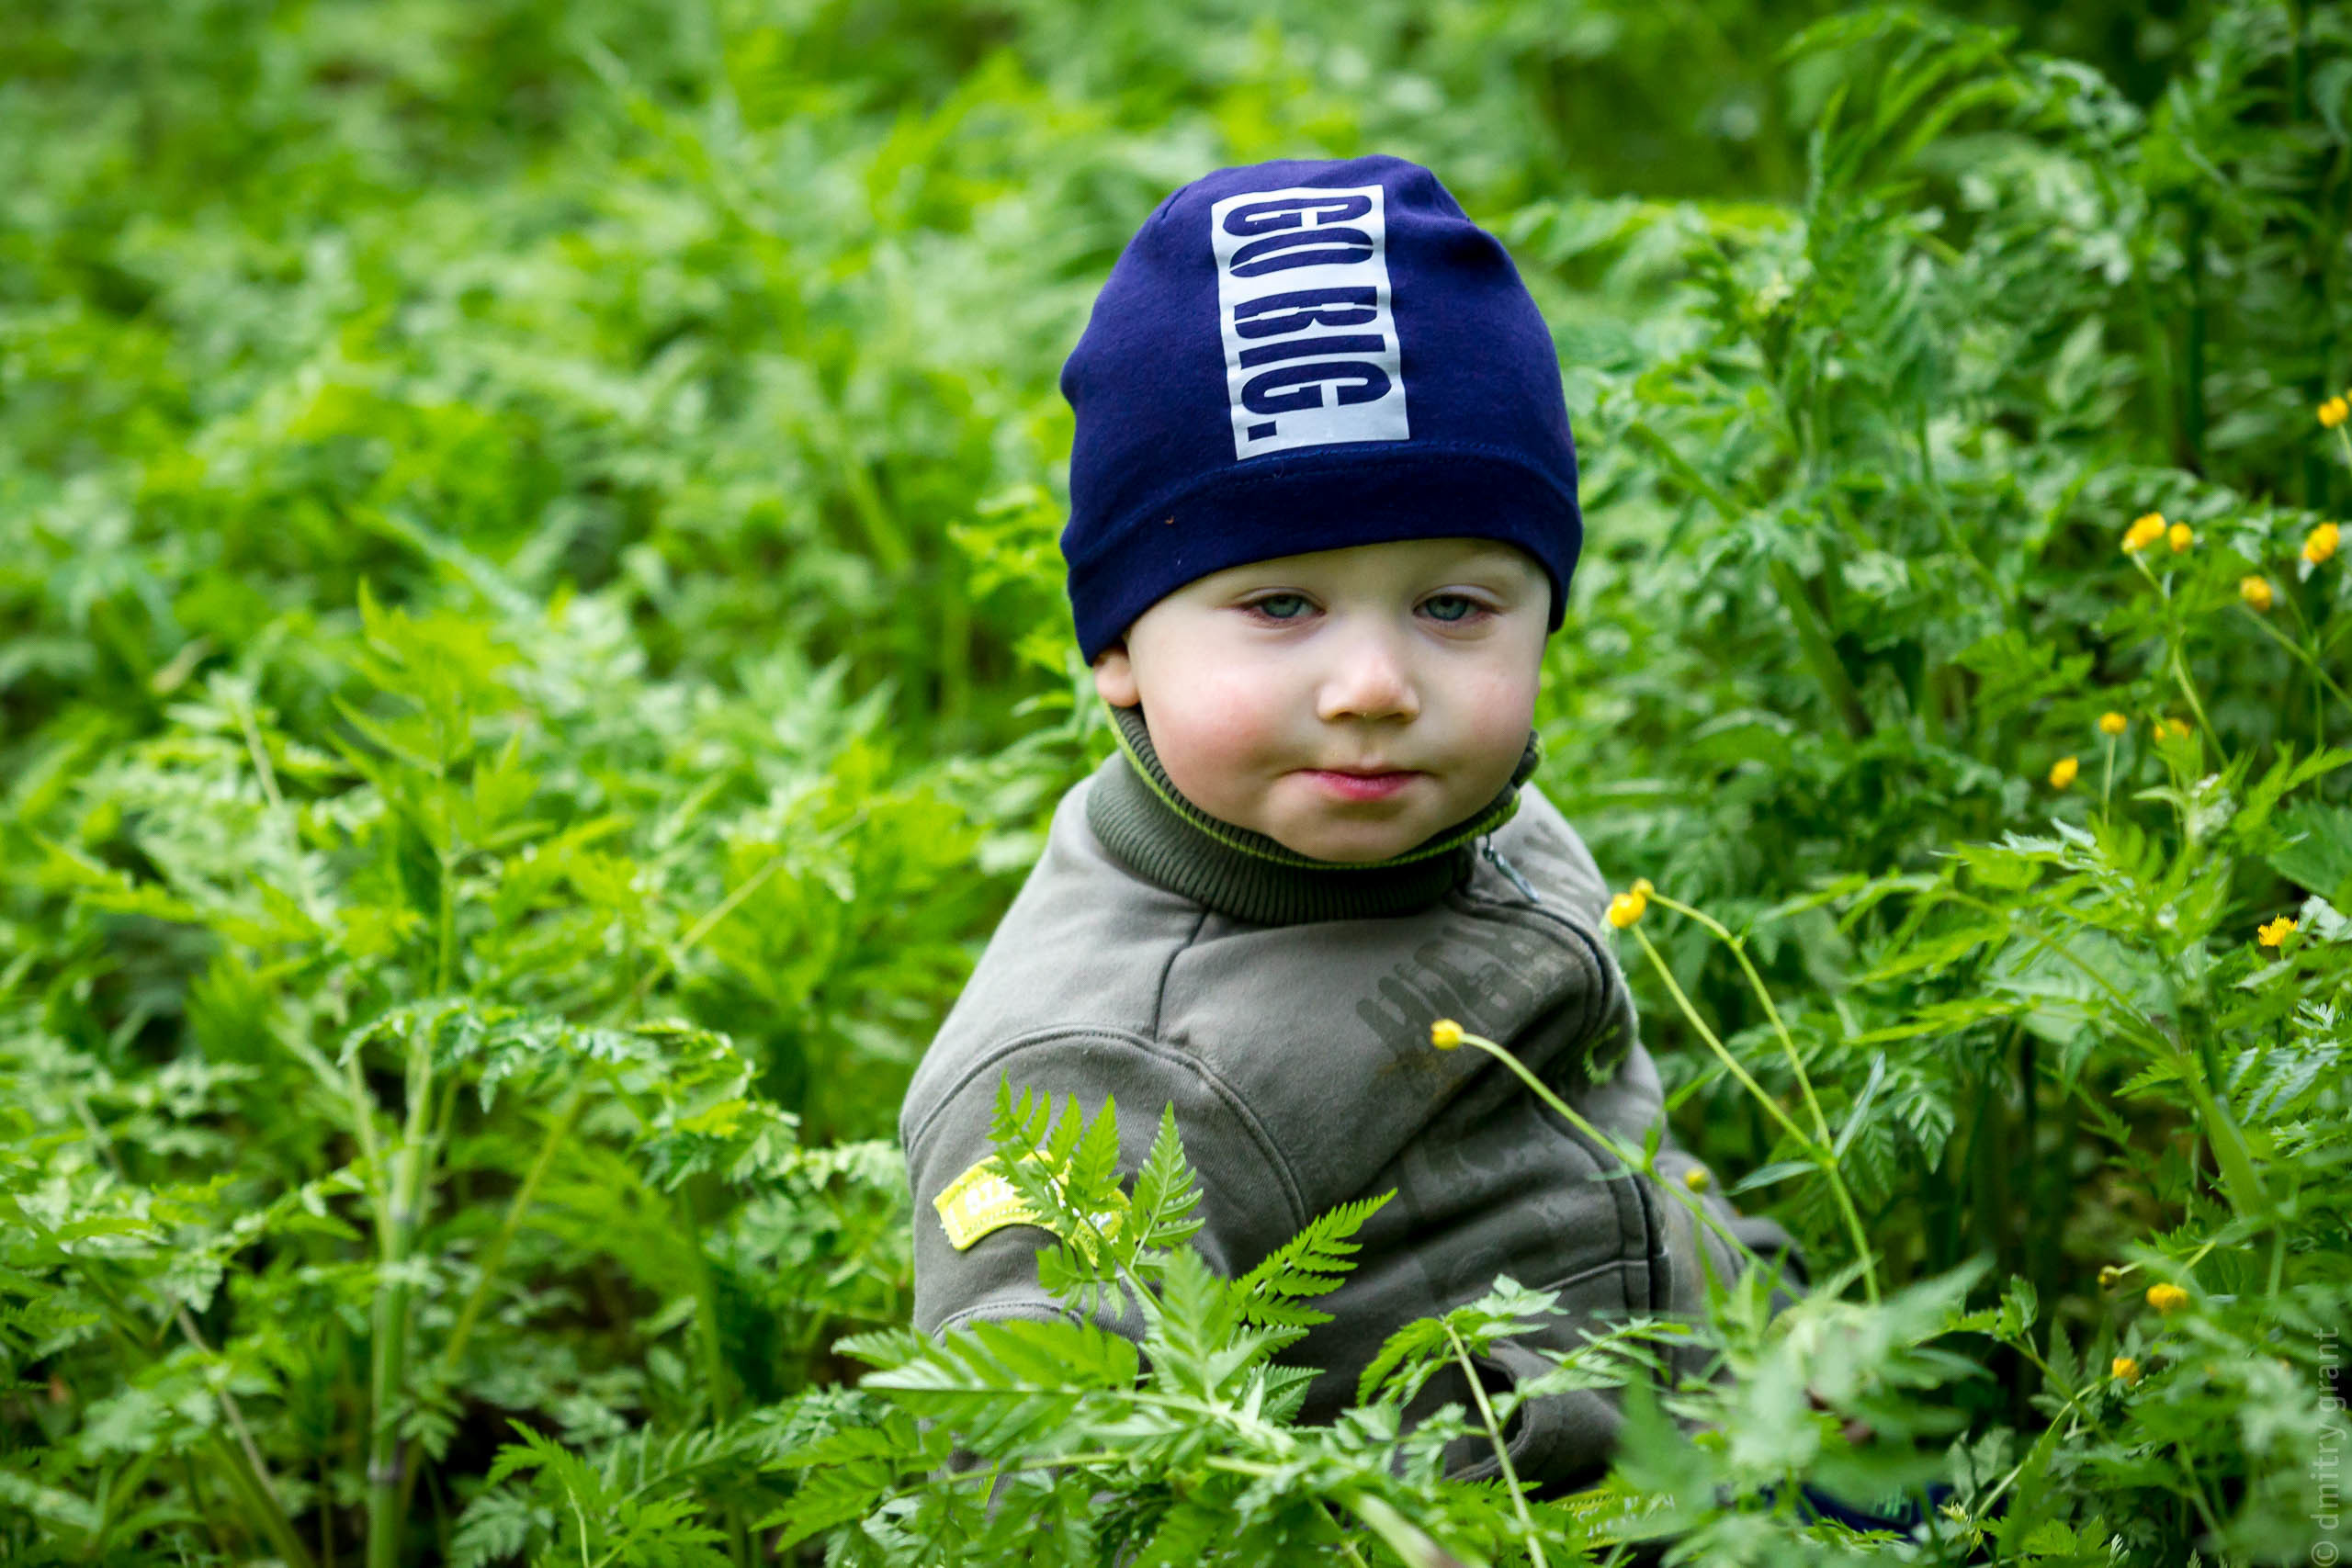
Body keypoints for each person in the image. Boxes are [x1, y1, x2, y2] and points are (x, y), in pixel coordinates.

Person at [899, 152, 1804, 1495]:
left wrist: (1783, 1333)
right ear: (1118, 649)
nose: (1376, 690)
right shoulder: (1088, 1077)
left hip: (1743, 1444)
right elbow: (1031, 1471)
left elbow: (1620, 1139)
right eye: (1281, 607)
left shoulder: (1490, 829)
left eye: (1453, 607)